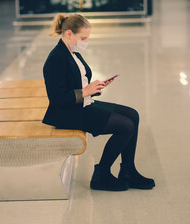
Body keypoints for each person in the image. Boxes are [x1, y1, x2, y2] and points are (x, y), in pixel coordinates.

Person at [42, 13, 155, 191]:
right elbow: (57, 98)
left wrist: (94, 88)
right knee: (125, 126)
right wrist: (85, 91)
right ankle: (101, 174)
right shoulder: (56, 58)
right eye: (83, 38)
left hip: (83, 104)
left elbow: (79, 83)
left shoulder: (73, 52)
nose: (85, 42)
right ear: (69, 34)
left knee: (133, 115)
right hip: (67, 113)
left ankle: (128, 171)